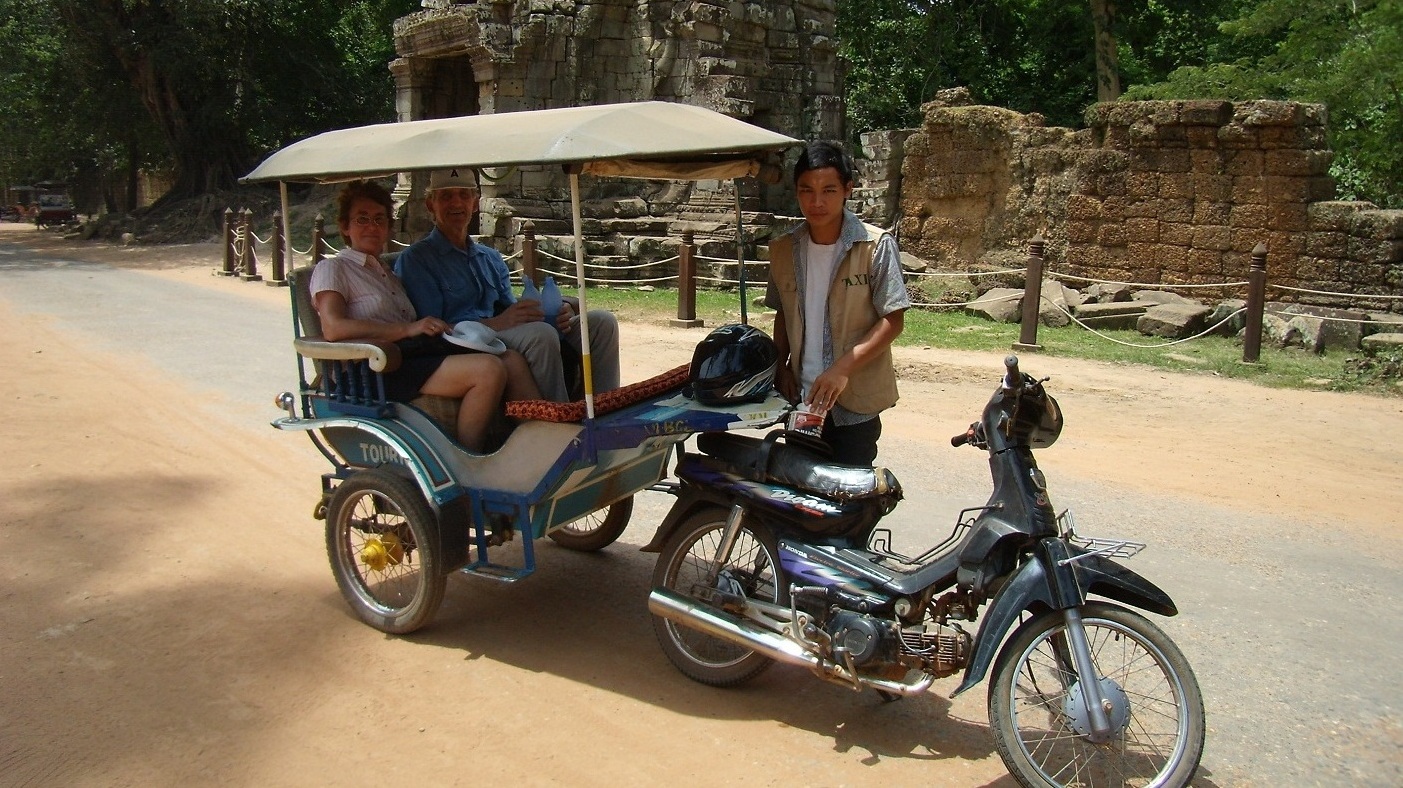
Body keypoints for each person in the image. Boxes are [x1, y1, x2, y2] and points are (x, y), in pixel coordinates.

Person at [309, 180, 540, 453]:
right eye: (362, 219)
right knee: (488, 370)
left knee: (510, 359)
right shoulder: (333, 268)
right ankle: (468, 459)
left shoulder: (385, 272)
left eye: (379, 219)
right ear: (345, 227)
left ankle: (537, 442)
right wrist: (407, 329)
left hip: (410, 357)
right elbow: (334, 328)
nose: (372, 226)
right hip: (373, 369)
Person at [394, 168, 621, 403]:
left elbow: (510, 307)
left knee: (601, 323)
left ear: (475, 203)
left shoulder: (490, 257)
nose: (456, 203)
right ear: (430, 205)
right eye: (446, 196)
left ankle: (606, 407)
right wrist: (497, 323)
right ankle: (557, 416)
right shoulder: (417, 261)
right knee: (541, 335)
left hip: (504, 332)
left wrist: (556, 311)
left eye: (464, 195)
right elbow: (433, 330)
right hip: (465, 344)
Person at [763, 141, 911, 467]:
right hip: (801, 399)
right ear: (796, 192)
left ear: (847, 189)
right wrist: (782, 366)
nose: (817, 202)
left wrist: (841, 370)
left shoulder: (874, 245)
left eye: (828, 190)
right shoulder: (784, 248)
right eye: (807, 190)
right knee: (798, 487)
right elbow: (783, 311)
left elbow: (893, 319)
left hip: (853, 403)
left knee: (848, 491)